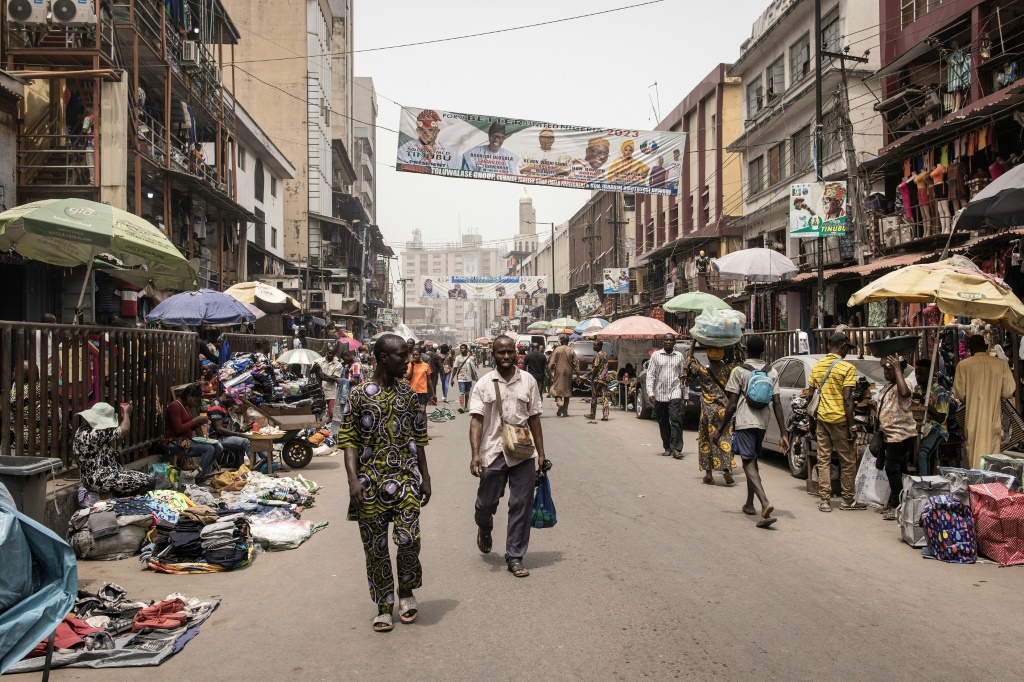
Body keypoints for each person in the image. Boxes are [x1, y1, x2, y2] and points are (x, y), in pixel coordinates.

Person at [339, 333, 431, 633]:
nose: (407, 361)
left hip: (404, 479)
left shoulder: (408, 394)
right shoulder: (359, 395)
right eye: (401, 356)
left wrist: (425, 477)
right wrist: (353, 480)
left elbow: (418, 439)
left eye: (408, 355)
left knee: (408, 540)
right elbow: (349, 440)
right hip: (370, 483)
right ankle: (383, 605)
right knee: (376, 548)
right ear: (382, 358)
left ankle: (406, 592)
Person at [469, 335, 546, 578]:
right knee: (486, 504)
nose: (505, 356)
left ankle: (515, 555)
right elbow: (477, 421)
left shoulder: (528, 381)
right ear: (493, 354)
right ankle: (484, 525)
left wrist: (541, 454)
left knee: (521, 504)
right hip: (493, 452)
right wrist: (475, 455)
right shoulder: (483, 383)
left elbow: (534, 418)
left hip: (523, 452)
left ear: (516, 353)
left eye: (509, 352)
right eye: (501, 352)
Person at [718, 336, 788, 527]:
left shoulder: (739, 371)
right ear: (763, 351)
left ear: (747, 350)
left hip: (745, 421)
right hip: (762, 423)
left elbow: (731, 405)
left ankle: (764, 502)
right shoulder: (771, 372)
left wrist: (720, 431)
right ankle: (750, 504)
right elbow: (777, 404)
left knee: (747, 462)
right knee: (753, 461)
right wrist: (784, 433)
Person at [807, 332, 864, 512]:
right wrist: (852, 426)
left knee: (823, 459)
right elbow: (848, 400)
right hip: (840, 420)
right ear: (842, 347)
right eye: (847, 348)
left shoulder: (817, 367)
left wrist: (811, 422)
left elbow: (810, 396)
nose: (847, 351)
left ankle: (824, 500)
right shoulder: (847, 368)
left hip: (822, 419)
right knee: (847, 460)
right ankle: (847, 499)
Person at [953, 334, 1015, 469]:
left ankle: (977, 485)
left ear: (969, 349)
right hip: (993, 418)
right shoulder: (1001, 364)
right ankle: (990, 486)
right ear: (987, 347)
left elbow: (960, 394)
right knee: (992, 456)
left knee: (975, 454)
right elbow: (1008, 391)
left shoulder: (963, 365)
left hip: (973, 419)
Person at [684, 343, 741, 484]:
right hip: (723, 410)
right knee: (725, 439)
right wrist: (736, 343)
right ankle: (726, 469)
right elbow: (740, 360)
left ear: (708, 356)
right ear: (722, 355)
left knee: (706, 440)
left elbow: (689, 361)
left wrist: (693, 342)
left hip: (707, 410)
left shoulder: (702, 370)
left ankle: (709, 475)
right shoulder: (728, 370)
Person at [75, 402, 155, 496]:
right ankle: (132, 506)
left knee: (137, 478)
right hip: (101, 479)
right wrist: (126, 413)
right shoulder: (95, 434)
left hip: (90, 479)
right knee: (149, 481)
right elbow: (124, 429)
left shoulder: (81, 431)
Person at [875, 355, 916, 521]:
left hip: (901, 434)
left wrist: (898, 368)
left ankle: (897, 505)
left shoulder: (905, 385)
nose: (885, 372)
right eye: (884, 369)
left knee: (892, 468)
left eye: (889, 369)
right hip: (889, 435)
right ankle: (898, 502)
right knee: (897, 470)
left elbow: (905, 393)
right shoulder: (886, 388)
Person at [163, 384, 218, 479]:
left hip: (185, 440)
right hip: (174, 442)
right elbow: (178, 429)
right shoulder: (174, 406)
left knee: (218, 447)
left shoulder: (186, 407)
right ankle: (199, 477)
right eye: (195, 400)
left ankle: (203, 473)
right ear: (189, 396)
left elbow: (189, 427)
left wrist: (199, 423)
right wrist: (195, 420)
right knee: (209, 449)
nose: (195, 404)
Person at [646, 333, 686, 458]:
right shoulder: (656, 356)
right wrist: (651, 393)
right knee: (663, 421)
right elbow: (650, 375)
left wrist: (685, 394)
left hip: (675, 392)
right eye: (666, 340)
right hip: (660, 394)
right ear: (663, 342)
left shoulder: (679, 356)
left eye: (671, 340)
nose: (668, 342)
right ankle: (667, 447)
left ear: (674, 342)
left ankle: (676, 448)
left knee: (675, 420)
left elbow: (683, 376)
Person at [912, 358, 949, 476]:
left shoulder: (940, 391)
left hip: (937, 429)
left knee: (923, 453)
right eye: (916, 374)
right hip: (918, 427)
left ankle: (925, 485)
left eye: (921, 374)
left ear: (930, 374)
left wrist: (925, 403)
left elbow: (941, 418)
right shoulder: (917, 389)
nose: (918, 377)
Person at [206, 391, 252, 470]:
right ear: (226, 397)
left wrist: (240, 431)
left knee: (245, 441)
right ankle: (258, 466)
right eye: (232, 402)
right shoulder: (217, 407)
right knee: (246, 442)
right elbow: (219, 429)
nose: (233, 405)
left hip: (223, 436)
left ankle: (241, 468)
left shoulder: (222, 406)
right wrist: (238, 434)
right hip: (217, 439)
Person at [548, 334, 578, 417]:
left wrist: (549, 371)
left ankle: (559, 401)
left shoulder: (557, 349)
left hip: (559, 372)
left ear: (561, 341)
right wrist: (578, 375)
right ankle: (565, 412)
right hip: (568, 373)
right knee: (567, 391)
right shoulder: (571, 350)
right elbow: (575, 363)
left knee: (556, 389)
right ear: (568, 341)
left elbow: (551, 363)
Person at [405, 348, 432, 435]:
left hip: (422, 391)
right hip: (412, 391)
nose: (415, 356)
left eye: (417, 355)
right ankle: (413, 431)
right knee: (412, 412)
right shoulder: (409, 365)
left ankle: (425, 432)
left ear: (420, 355)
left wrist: (433, 393)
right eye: (414, 355)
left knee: (423, 411)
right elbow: (408, 378)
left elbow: (429, 380)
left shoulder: (426, 365)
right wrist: (412, 366)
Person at [312, 343, 344, 416]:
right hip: (318, 391)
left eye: (333, 353)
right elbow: (310, 371)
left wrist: (321, 374)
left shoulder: (338, 365)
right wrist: (314, 368)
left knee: (331, 413)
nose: (330, 355)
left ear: (335, 354)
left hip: (331, 393)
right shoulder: (318, 361)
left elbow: (334, 379)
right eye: (329, 353)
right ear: (326, 352)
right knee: (318, 412)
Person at [587, 340, 611, 422]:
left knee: (594, 396)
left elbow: (596, 368)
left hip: (597, 379)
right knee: (604, 397)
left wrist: (591, 376)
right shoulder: (604, 354)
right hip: (604, 378)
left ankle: (592, 414)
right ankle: (605, 415)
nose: (593, 347)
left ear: (599, 346)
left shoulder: (598, 355)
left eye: (595, 345)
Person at [453, 343, 478, 413]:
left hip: (469, 379)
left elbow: (474, 369)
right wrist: (452, 378)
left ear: (466, 349)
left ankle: (466, 406)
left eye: (463, 348)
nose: (462, 349)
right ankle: (461, 407)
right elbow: (455, 368)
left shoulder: (471, 358)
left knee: (467, 393)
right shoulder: (458, 358)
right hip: (461, 378)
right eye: (461, 348)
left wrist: (476, 378)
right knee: (462, 392)